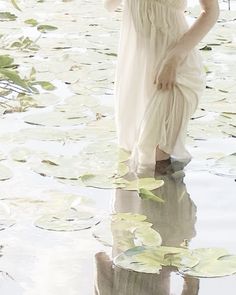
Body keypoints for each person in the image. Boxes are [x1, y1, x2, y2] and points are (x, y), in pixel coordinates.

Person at [103, 0, 219, 172]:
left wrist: (174, 58)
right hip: (137, 69)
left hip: (175, 68)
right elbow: (109, 5)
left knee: (155, 159)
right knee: (134, 163)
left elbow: (211, 11)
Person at [95, 160, 199, 294]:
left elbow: (192, 281)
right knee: (133, 161)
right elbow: (100, 257)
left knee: (166, 165)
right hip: (128, 220)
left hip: (167, 240)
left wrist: (174, 263)